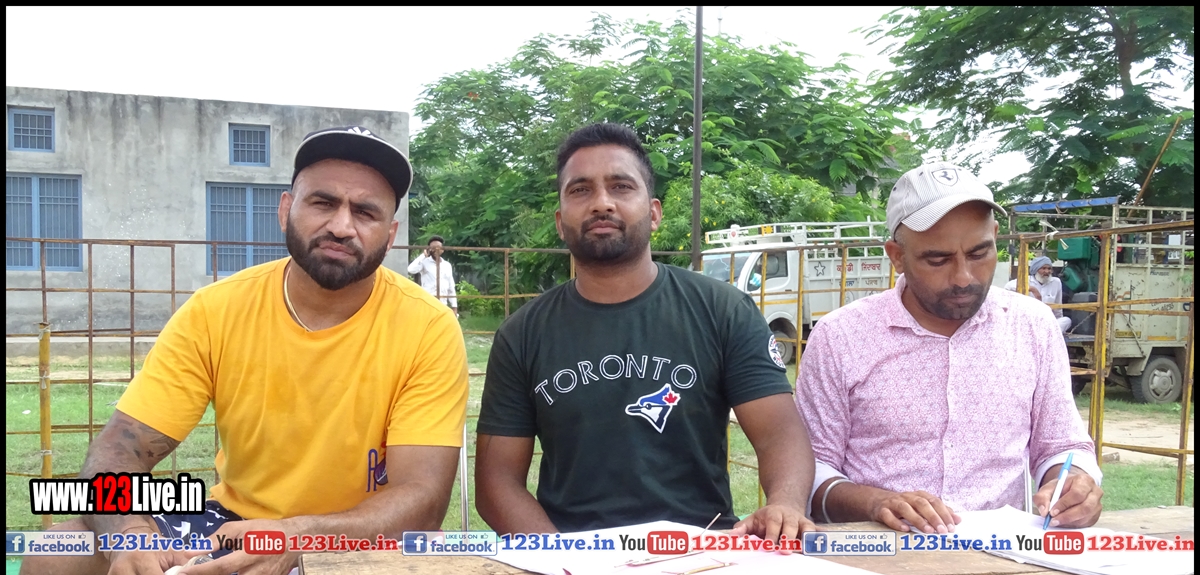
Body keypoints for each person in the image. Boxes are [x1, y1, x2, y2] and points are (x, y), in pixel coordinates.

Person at [11, 126, 469, 575]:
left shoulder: (427, 327)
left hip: (363, 538)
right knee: (54, 559)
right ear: (285, 209)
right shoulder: (217, 309)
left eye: (365, 212)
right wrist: (128, 534)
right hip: (230, 526)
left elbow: (422, 500)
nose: (341, 225)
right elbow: (119, 449)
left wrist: (294, 538)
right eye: (323, 202)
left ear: (390, 234)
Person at [475, 123, 817, 543]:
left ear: (654, 213)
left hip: (703, 552)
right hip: (572, 553)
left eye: (621, 187)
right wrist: (563, 557)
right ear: (560, 222)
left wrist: (785, 502)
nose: (602, 203)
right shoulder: (522, 334)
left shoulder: (723, 310)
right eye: (580, 190)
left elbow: (780, 434)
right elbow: (496, 482)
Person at [796, 161, 1102, 535]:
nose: (963, 278)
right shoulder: (841, 337)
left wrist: (1074, 484)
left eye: (979, 253)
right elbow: (809, 469)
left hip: (1001, 558)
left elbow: (1061, 445)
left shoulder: (1032, 326)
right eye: (937, 259)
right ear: (896, 256)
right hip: (878, 554)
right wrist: (875, 503)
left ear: (995, 237)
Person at [1006, 256, 1072, 332]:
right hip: (1029, 320)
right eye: (1043, 268)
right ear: (1036, 269)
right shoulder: (1027, 280)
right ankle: (1047, 334)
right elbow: (1008, 287)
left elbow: (1058, 308)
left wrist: (1058, 323)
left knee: (1066, 320)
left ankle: (1046, 333)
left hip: (1047, 322)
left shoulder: (1056, 282)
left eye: (1049, 268)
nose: (1047, 271)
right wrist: (1032, 289)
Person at [407, 235, 459, 316]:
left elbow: (451, 287)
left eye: (438, 247)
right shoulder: (424, 262)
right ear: (429, 249)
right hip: (428, 302)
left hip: (442, 304)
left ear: (442, 250)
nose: (435, 250)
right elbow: (410, 269)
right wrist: (423, 255)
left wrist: (454, 307)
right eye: (433, 248)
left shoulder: (447, 265)